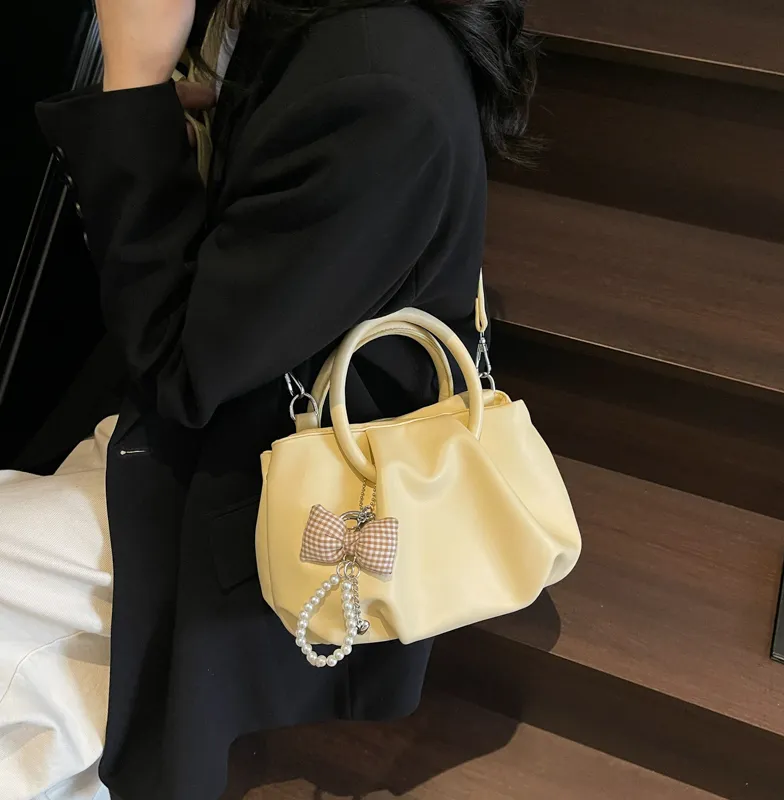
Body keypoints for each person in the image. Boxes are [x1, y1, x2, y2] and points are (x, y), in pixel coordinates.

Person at [10, 0, 536, 797]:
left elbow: (182, 369)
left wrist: (135, 78)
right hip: (221, 418)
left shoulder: (377, 86)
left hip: (284, 501)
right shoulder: (325, 32)